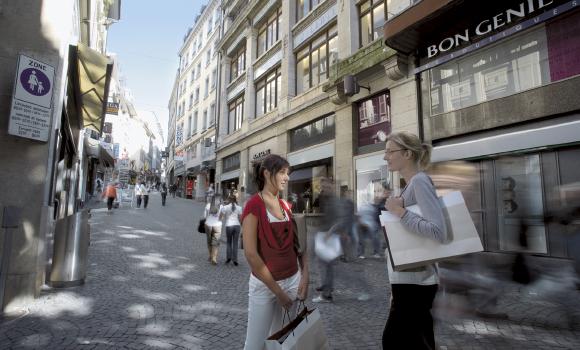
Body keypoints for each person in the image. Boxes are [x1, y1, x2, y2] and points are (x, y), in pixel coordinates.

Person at [382, 131, 450, 350]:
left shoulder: (420, 181)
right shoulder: (410, 184)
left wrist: (400, 212)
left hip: (416, 282)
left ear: (407, 153)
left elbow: (438, 231)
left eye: (389, 151)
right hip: (410, 280)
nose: (385, 157)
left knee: (393, 341)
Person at [241, 154, 309, 350]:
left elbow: (300, 244)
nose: (287, 178)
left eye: (287, 173)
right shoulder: (254, 205)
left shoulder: (285, 205)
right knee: (254, 345)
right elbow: (251, 255)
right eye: (282, 172)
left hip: (292, 280)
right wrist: (278, 293)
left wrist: (305, 276)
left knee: (281, 342)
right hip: (264, 286)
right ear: (266, 173)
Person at [219, 194, 242, 266]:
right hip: (237, 226)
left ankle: (228, 258)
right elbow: (240, 219)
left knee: (229, 242)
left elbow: (220, 218)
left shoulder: (225, 207)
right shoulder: (239, 207)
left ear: (228, 200)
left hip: (229, 225)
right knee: (235, 243)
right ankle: (235, 260)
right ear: (235, 200)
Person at [204, 198, 222, 265]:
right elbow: (221, 217)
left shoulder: (208, 205)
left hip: (208, 225)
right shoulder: (221, 206)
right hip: (217, 225)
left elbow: (205, 216)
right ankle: (214, 258)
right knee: (216, 243)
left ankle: (210, 255)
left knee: (209, 241)